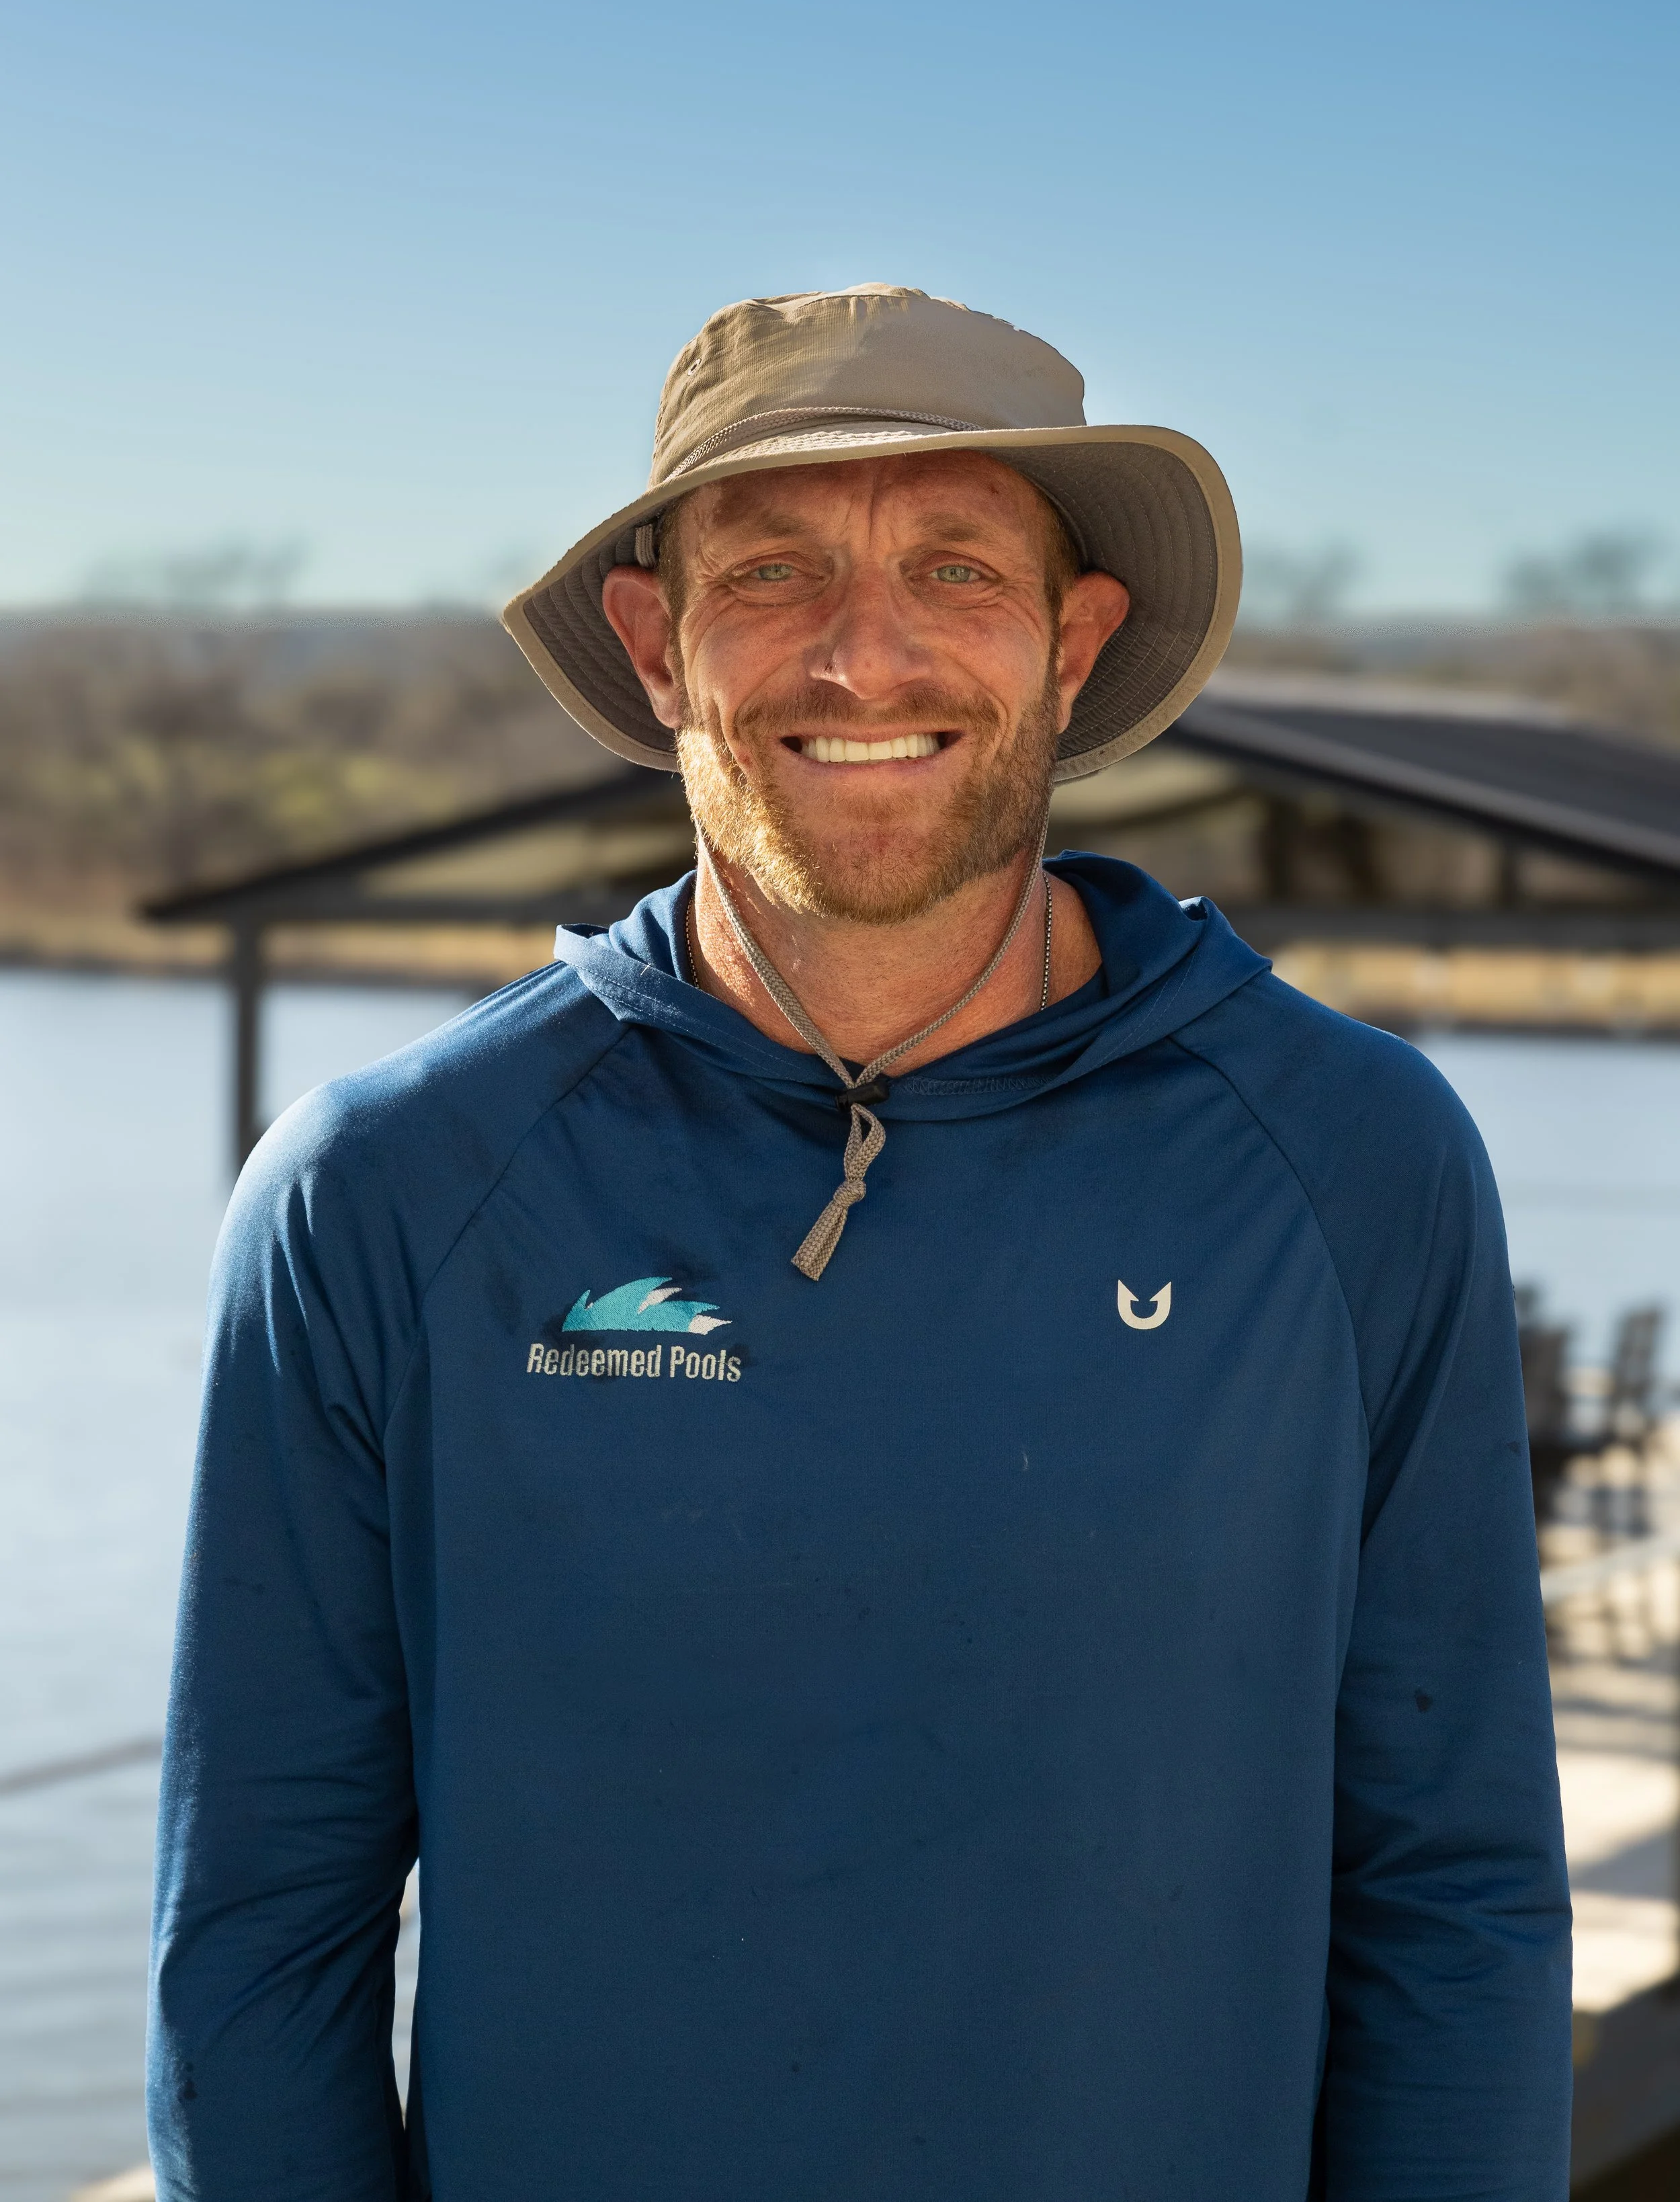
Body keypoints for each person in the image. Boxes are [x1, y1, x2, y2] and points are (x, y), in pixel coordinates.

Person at [149, 285, 1570, 2200]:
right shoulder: (384, 1192)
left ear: (1076, 641)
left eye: (955, 566)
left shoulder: (1353, 1158)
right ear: (654, 646)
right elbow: (256, 1937)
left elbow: (1453, 1897)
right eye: (771, 572)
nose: (862, 653)